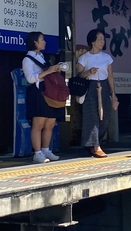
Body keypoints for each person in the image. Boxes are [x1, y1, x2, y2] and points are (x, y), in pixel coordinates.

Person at [22, 30, 67, 163]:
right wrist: (48, 71)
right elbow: (30, 79)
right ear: (35, 42)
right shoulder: (27, 59)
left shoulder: (42, 57)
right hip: (38, 92)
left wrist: (54, 69)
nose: (44, 42)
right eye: (42, 40)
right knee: (38, 124)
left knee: (50, 123)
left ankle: (46, 149)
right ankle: (37, 153)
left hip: (49, 92)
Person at [76, 29, 118, 158]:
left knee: (105, 116)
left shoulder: (107, 58)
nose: (102, 41)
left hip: (103, 86)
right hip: (90, 87)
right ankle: (96, 146)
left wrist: (113, 93)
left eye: (103, 39)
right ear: (92, 41)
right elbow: (79, 75)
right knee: (92, 117)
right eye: (100, 39)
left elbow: (110, 76)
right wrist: (89, 72)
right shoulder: (84, 58)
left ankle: (93, 143)